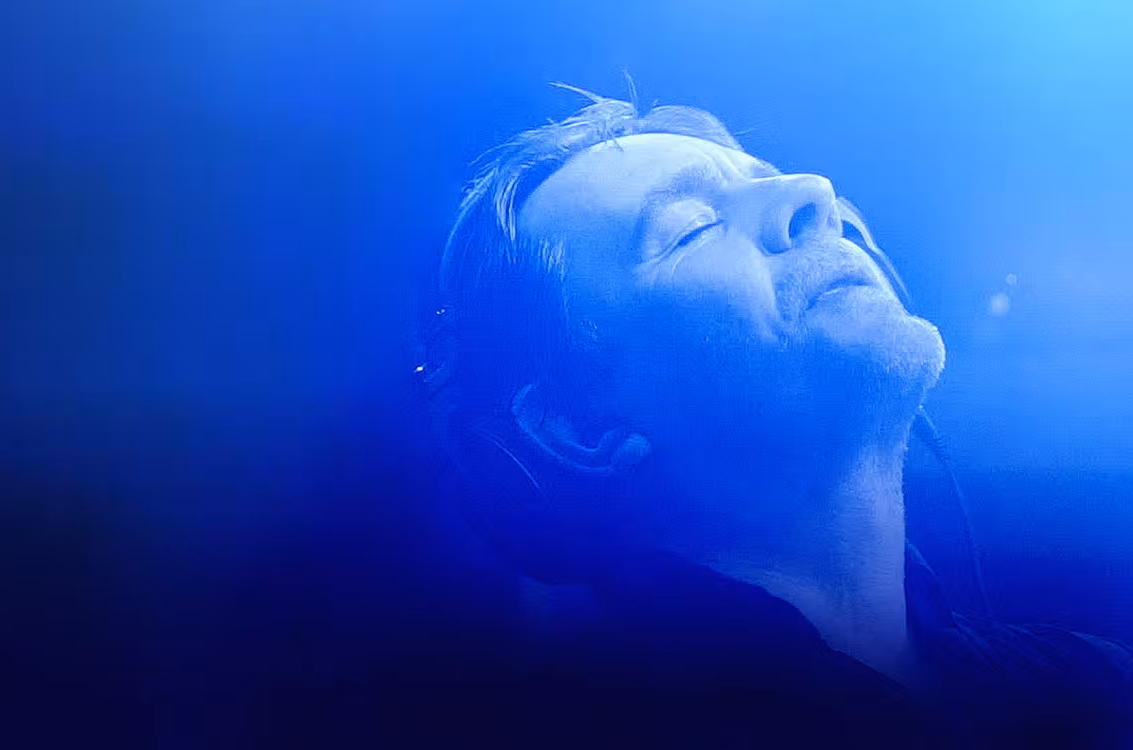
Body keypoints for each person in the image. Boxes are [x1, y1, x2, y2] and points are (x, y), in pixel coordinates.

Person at [410, 84, 1133, 748]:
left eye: (770, 178)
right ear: (577, 428)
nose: (815, 192)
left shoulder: (1095, 686)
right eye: (692, 227)